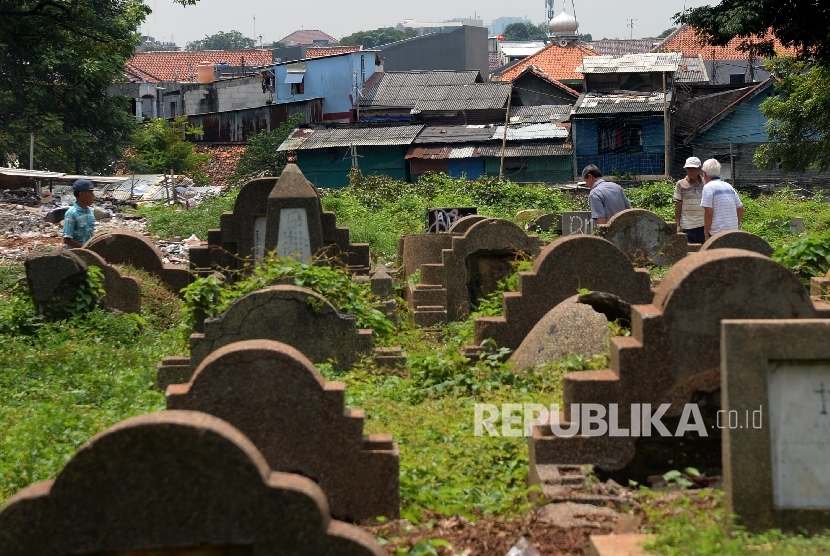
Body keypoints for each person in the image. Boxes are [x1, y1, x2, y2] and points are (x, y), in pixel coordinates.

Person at [699, 159, 744, 240]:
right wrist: (734, 224)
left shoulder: (708, 187)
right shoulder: (728, 186)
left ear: (705, 174)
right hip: (733, 232)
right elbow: (741, 209)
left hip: (717, 234)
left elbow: (708, 212)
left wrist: (706, 232)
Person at [673, 157, 706, 244]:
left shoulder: (706, 182)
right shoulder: (680, 184)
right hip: (688, 226)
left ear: (699, 168)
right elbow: (678, 205)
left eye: (693, 169)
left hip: (704, 225)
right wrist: (678, 225)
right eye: (688, 169)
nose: (690, 171)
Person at [63, 179, 96, 249]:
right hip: (76, 255)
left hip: (88, 254)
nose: (93, 196)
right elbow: (67, 240)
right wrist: (85, 250)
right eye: (91, 192)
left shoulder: (90, 211)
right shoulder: (71, 213)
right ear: (82, 194)